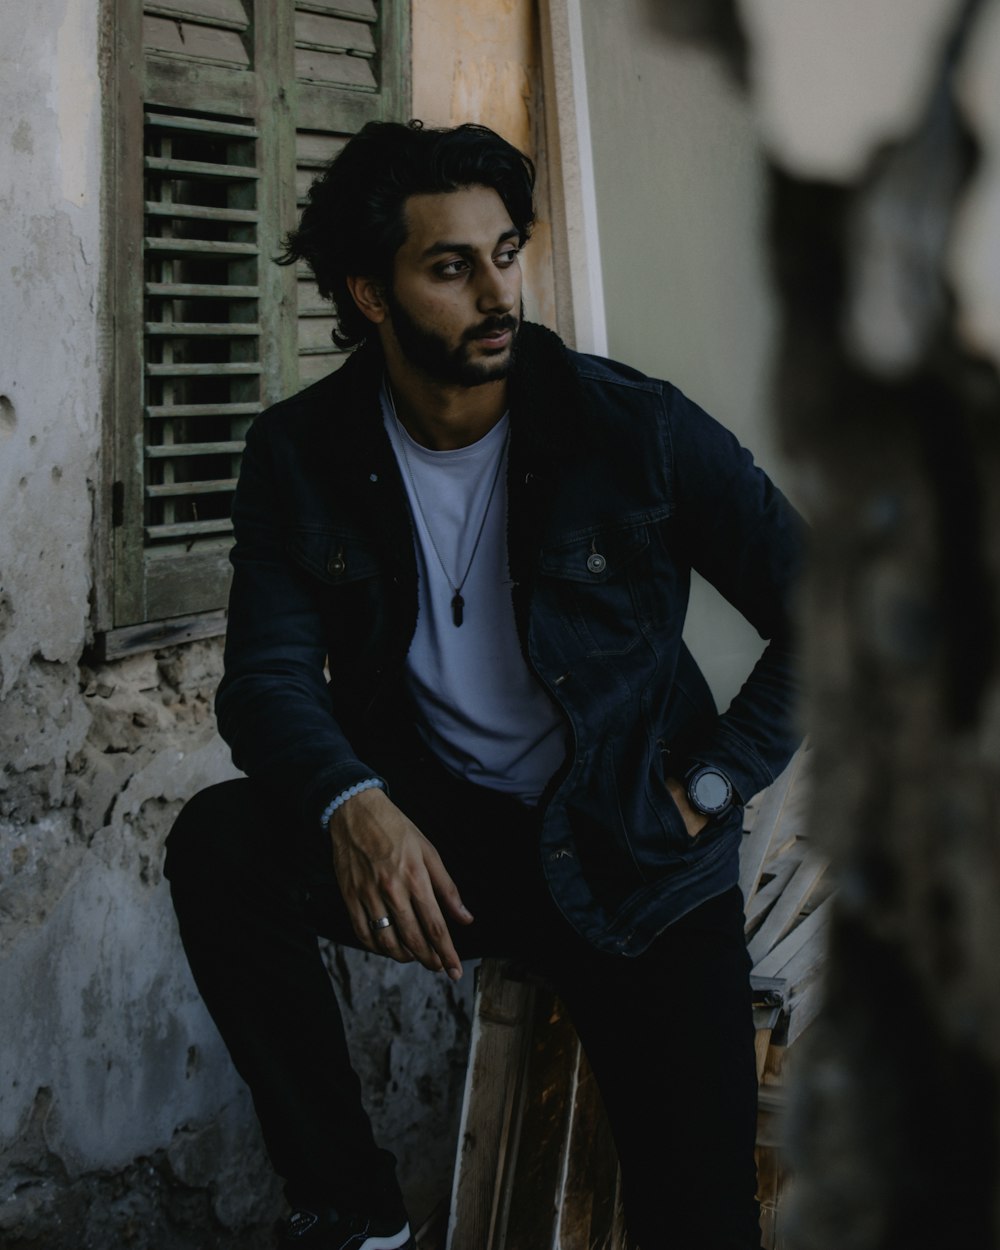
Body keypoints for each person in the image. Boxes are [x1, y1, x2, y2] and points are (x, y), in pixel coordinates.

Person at [164, 119, 804, 1250]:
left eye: (504, 252)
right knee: (222, 844)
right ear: (369, 292)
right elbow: (264, 677)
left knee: (700, 1222)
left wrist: (710, 779)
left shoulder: (633, 428)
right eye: (451, 266)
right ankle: (356, 1214)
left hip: (634, 854)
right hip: (449, 841)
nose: (497, 292)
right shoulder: (297, 452)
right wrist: (351, 803)